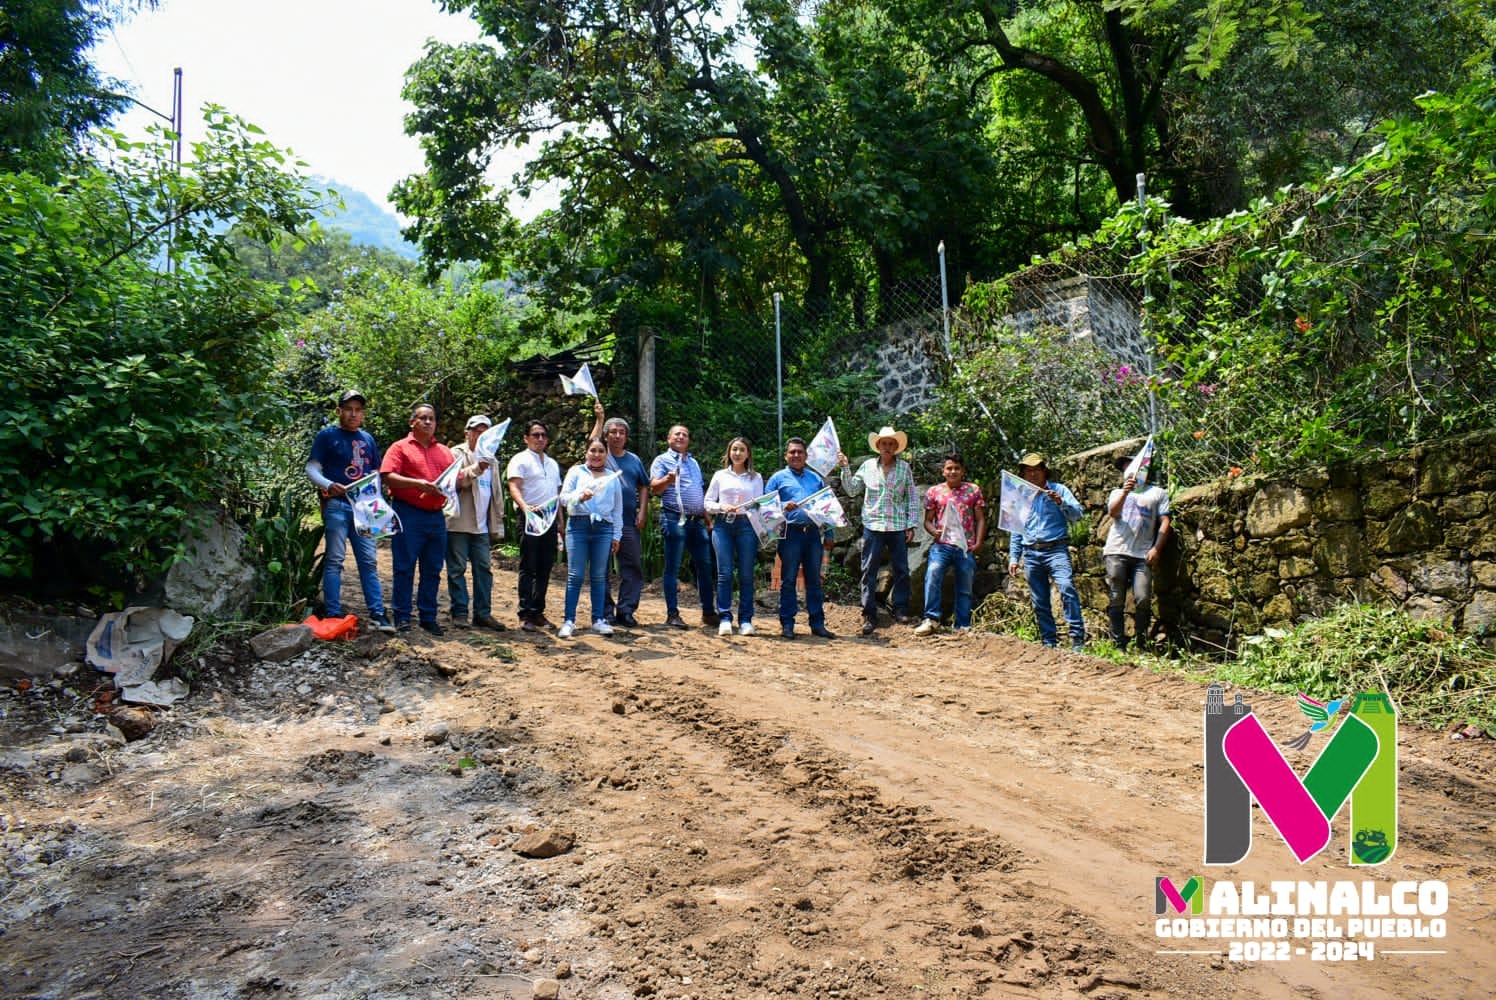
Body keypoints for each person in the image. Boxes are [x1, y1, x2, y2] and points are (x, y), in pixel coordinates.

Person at [305, 390, 394, 633]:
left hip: (363, 506)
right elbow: (312, 468)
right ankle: (333, 612)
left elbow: (375, 471)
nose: (354, 414)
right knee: (334, 558)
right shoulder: (327, 436)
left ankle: (378, 613)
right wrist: (328, 485)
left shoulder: (368, 438)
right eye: (349, 409)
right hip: (336, 504)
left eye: (358, 409)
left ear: (363, 413)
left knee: (369, 560)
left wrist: (375, 491)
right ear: (339, 411)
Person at [380, 403, 456, 635]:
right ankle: (402, 616)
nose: (427, 422)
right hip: (408, 513)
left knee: (433, 568)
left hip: (436, 516)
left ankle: (428, 616)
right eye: (422, 418)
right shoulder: (400, 447)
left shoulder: (444, 451)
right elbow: (387, 476)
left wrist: (477, 469)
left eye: (431, 418)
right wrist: (418, 484)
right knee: (404, 566)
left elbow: (457, 480)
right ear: (412, 422)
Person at [837, 425, 920, 636]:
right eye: (884, 443)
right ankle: (869, 612)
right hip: (873, 525)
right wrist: (845, 467)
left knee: (901, 569)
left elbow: (911, 497)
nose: (887, 447)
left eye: (891, 444)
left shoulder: (904, 469)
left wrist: (912, 524)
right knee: (869, 569)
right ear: (878, 445)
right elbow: (852, 490)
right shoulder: (866, 466)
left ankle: (900, 609)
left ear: (896, 447)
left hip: (897, 525)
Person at [1007, 452, 1086, 651]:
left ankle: (1077, 638)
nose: (1032, 474)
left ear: (1044, 471)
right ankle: (1048, 641)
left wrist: (1061, 503)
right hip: (1031, 552)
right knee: (1039, 599)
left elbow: (1078, 515)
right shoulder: (1020, 496)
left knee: (1067, 587)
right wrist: (1014, 557)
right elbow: (1016, 529)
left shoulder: (1059, 490)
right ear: (1023, 474)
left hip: (1056, 548)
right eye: (1028, 471)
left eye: (1036, 470)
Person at [765, 437, 835, 639]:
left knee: (814, 579)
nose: (796, 455)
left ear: (806, 456)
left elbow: (827, 507)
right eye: (792, 452)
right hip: (790, 534)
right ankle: (787, 624)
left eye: (800, 452)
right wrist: (783, 504)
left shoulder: (816, 479)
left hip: (813, 534)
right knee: (788, 579)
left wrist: (829, 533)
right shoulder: (778, 478)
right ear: (786, 455)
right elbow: (764, 507)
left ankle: (817, 624)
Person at [588, 403, 650, 627]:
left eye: (621, 432)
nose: (617, 435)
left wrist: (642, 510)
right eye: (612, 431)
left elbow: (644, 485)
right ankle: (605, 610)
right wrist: (599, 418)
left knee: (632, 565)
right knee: (601, 566)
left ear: (626, 437)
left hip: (627, 521)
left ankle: (626, 609)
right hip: (602, 521)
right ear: (606, 436)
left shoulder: (634, 460)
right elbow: (591, 442)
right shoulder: (600, 456)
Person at [1103, 453, 1172, 650]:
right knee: (1116, 595)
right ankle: (1118, 642)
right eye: (1126, 468)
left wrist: (1157, 548)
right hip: (1117, 550)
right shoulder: (1117, 493)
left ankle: (1141, 642)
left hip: (1143, 553)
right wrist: (1125, 493)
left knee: (1142, 597)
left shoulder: (1158, 493)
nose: (1131, 471)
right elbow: (1113, 513)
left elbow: (1165, 522)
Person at [650, 425, 716, 629]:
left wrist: (707, 518)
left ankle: (707, 612)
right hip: (673, 518)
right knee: (673, 567)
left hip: (697, 521)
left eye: (685, 434)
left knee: (704, 567)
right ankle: (672, 614)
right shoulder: (661, 460)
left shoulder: (693, 462)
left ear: (689, 440)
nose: (681, 436)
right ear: (669, 438)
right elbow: (654, 488)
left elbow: (699, 491)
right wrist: (667, 480)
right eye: (677, 434)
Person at [445, 414, 506, 631]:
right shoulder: (455, 453)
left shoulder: (493, 460)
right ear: (467, 432)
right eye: (477, 431)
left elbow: (496, 492)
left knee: (484, 569)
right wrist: (477, 468)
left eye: (485, 432)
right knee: (457, 568)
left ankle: (483, 614)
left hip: (482, 525)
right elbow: (453, 482)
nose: (480, 436)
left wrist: (497, 520)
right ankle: (459, 612)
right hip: (458, 522)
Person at [558, 437, 623, 637]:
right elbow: (563, 498)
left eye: (601, 451)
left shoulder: (613, 477)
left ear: (606, 454)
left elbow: (617, 509)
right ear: (586, 452)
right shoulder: (576, 472)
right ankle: (569, 621)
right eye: (593, 451)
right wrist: (579, 496)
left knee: (599, 576)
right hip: (578, 525)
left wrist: (617, 535)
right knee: (575, 575)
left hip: (604, 528)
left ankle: (598, 619)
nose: (596, 455)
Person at [916, 453, 987, 635]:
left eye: (956, 468)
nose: (953, 471)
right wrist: (934, 531)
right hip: (942, 545)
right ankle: (931, 619)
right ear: (943, 472)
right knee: (933, 574)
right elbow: (928, 521)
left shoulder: (973, 490)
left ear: (963, 471)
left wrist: (978, 542)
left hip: (966, 546)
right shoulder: (934, 492)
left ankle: (962, 624)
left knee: (965, 583)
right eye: (949, 468)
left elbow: (980, 519)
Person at [506, 419, 564, 632]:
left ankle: (538, 611)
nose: (540, 439)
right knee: (528, 565)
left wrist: (561, 523)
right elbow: (514, 486)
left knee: (545, 567)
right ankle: (525, 612)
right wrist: (525, 507)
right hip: (530, 517)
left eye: (543, 435)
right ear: (526, 438)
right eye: (535, 435)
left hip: (549, 519)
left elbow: (557, 495)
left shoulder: (552, 463)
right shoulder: (520, 459)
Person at [705, 437, 764, 636]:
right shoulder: (720, 475)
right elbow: (707, 503)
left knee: (746, 574)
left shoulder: (756, 477)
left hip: (747, 526)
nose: (737, 453)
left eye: (742, 450)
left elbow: (759, 504)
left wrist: (751, 509)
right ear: (729, 452)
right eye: (734, 449)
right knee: (725, 573)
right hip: (723, 525)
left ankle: (746, 619)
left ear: (748, 454)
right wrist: (721, 506)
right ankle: (725, 618)